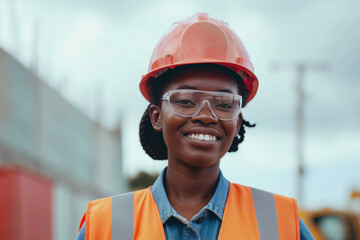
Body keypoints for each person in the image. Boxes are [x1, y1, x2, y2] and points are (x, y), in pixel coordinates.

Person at [77, 13, 314, 240]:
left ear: (237, 122)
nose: (206, 116)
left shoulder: (280, 223)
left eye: (223, 104)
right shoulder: (105, 225)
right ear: (157, 116)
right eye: (186, 101)